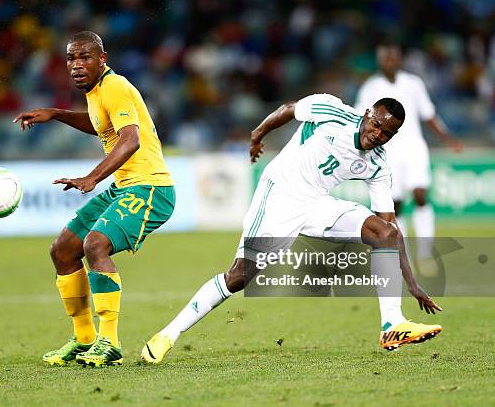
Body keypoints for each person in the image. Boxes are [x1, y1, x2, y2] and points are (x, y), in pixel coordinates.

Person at [141, 93, 442, 364]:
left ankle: (391, 325)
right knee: (238, 278)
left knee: (384, 233)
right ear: (366, 114)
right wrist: (258, 134)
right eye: (376, 124)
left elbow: (391, 226)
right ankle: (167, 335)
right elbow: (288, 109)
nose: (377, 135)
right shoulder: (332, 111)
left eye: (387, 133)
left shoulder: (377, 164)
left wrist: (412, 284)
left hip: (317, 203)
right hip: (280, 195)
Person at [13, 31, 175, 368]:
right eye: (71, 58)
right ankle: (84, 338)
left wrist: (92, 178)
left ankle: (110, 342)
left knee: (95, 245)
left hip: (150, 189)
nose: (76, 65)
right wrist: (56, 113)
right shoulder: (98, 90)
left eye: (85, 57)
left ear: (103, 58)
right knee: (63, 248)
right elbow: (100, 123)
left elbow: (130, 140)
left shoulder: (114, 86)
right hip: (125, 187)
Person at [355, 42, 463, 269]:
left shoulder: (414, 84)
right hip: (387, 151)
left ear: (400, 59)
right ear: (380, 61)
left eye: (394, 57)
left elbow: (429, 114)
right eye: (386, 58)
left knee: (421, 194)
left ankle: (425, 253)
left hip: (414, 147)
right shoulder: (371, 87)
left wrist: (448, 138)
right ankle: (403, 255)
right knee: (396, 205)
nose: (390, 62)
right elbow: (360, 117)